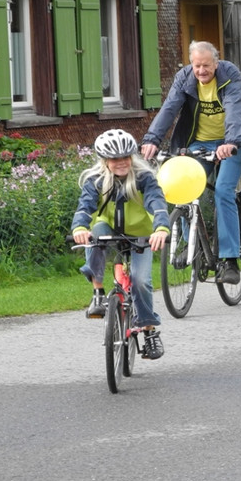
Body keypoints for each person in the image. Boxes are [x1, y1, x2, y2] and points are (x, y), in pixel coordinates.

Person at [141, 41, 241, 285]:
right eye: (197, 65)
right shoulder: (184, 78)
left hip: (234, 141)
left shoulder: (230, 76)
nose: (201, 70)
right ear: (191, 64)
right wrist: (152, 139)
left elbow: (235, 109)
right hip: (199, 142)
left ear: (216, 63)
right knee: (184, 189)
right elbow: (169, 108)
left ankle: (230, 260)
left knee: (222, 190)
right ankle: (191, 246)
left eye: (206, 65)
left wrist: (230, 142)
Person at [71, 129, 169, 359]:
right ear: (105, 161)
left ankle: (149, 331)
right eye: (115, 159)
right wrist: (79, 228)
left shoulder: (144, 178)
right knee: (95, 234)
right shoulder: (95, 181)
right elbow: (85, 207)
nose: (121, 163)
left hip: (141, 236)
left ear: (132, 157)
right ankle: (98, 293)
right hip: (109, 230)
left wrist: (161, 228)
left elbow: (157, 202)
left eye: (125, 157)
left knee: (140, 281)